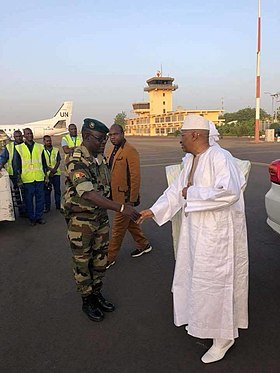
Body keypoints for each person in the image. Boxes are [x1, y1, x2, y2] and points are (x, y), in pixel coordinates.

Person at [138, 115, 249, 364]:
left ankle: (223, 338)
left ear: (196, 135)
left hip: (217, 236)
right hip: (196, 232)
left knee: (216, 284)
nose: (180, 139)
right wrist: (154, 210)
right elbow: (176, 191)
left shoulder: (220, 158)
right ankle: (203, 323)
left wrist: (193, 192)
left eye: (182, 135)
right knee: (196, 279)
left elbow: (229, 193)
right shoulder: (191, 159)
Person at [62, 118, 140, 322]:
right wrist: (122, 208)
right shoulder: (75, 159)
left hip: (100, 218)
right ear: (86, 136)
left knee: (100, 260)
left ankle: (97, 293)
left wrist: (126, 200)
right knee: (82, 261)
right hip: (81, 221)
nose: (103, 142)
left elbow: (105, 188)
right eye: (99, 139)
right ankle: (87, 299)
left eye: (105, 139)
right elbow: (87, 193)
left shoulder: (99, 158)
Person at [106, 124, 152, 269]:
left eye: (116, 134)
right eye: (111, 135)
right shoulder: (113, 150)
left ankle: (109, 257)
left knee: (118, 228)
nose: (113, 137)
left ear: (122, 134)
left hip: (126, 199)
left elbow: (135, 177)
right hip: (116, 195)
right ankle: (144, 244)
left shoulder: (130, 151)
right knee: (130, 222)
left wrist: (132, 200)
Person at [15, 128, 47, 225]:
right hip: (27, 178)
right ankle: (32, 218)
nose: (30, 135)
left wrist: (46, 175)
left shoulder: (40, 147)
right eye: (27, 134)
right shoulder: (19, 148)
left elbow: (44, 162)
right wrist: (19, 178)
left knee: (40, 199)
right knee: (28, 200)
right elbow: (18, 164)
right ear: (24, 136)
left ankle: (39, 217)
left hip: (39, 177)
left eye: (31, 133)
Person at [0, 130, 25, 215]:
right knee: (17, 193)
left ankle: (27, 210)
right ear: (14, 137)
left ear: (22, 136)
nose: (19, 138)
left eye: (20, 136)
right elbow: (3, 158)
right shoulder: (9, 146)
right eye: (17, 136)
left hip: (26, 174)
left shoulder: (26, 146)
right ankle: (21, 211)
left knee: (26, 194)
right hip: (14, 174)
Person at [43, 135, 61, 212]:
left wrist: (54, 170)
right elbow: (42, 162)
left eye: (50, 140)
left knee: (57, 190)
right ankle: (47, 207)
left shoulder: (56, 150)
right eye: (47, 141)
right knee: (47, 191)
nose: (49, 142)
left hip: (56, 173)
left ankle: (58, 205)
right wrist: (50, 170)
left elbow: (58, 161)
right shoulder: (41, 150)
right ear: (44, 142)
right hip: (47, 174)